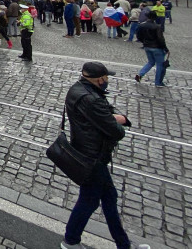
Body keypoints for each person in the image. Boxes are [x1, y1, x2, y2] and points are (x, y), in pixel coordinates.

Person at [61, 62, 149, 249]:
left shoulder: (77, 89)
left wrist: (111, 117)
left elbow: (102, 113)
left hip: (87, 152)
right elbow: (116, 131)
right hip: (92, 157)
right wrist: (120, 121)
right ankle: (70, 241)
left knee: (109, 197)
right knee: (90, 200)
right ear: (100, 79)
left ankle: (123, 244)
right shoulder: (91, 99)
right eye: (106, 78)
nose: (107, 80)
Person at [135, 11, 169, 86]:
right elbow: (161, 39)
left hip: (147, 46)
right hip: (157, 47)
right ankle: (158, 82)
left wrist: (144, 42)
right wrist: (165, 48)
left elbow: (138, 36)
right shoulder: (157, 27)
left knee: (151, 62)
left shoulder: (142, 25)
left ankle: (140, 74)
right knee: (159, 65)